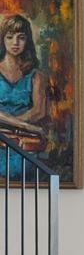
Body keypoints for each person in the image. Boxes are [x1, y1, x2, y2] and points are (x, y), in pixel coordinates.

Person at [0, 13, 51, 176]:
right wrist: (26, 126)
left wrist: (13, 125)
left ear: (27, 41)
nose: (15, 42)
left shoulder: (37, 75)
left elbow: (39, 111)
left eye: (21, 37)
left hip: (25, 144)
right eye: (9, 37)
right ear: (2, 40)